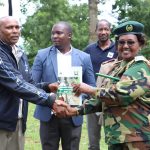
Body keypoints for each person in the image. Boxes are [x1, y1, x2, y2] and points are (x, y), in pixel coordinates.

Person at [68, 21, 150, 150]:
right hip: (118, 138)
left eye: (131, 42)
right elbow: (102, 99)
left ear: (140, 44)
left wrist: (88, 89)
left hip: (137, 139)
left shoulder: (141, 67)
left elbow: (119, 95)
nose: (125, 46)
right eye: (121, 42)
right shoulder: (118, 67)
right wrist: (75, 110)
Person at [0, 16, 68, 150]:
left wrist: (47, 86)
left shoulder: (20, 53)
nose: (14, 31)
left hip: (17, 120)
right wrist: (49, 100)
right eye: (9, 27)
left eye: (17, 27)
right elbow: (16, 84)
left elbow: (28, 83)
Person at [32, 21, 95, 150]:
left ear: (69, 35)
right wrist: (48, 88)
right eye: (53, 33)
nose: (55, 36)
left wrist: (78, 100)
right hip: (48, 113)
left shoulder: (84, 57)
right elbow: (32, 85)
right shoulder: (42, 55)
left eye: (59, 33)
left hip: (72, 114)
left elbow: (91, 87)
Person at [84, 19, 118, 150]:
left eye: (106, 29)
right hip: (92, 98)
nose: (103, 32)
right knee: (93, 142)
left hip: (111, 99)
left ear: (110, 30)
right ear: (96, 31)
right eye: (100, 29)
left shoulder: (118, 48)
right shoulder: (89, 50)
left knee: (113, 138)